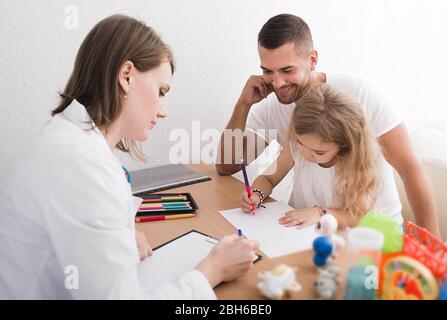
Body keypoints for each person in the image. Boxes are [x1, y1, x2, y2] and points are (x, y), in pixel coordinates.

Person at [0, 14, 258, 299]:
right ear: (126, 76)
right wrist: (212, 271)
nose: (163, 110)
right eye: (160, 92)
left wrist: (119, 235)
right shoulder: (85, 167)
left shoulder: (68, 140)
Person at [217, 13, 439, 236]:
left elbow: (411, 170)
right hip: (310, 232)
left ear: (312, 60)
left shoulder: (365, 96)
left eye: (287, 70)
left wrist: (431, 251)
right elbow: (229, 166)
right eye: (268, 71)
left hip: (371, 233)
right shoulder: (280, 116)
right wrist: (243, 104)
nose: (277, 83)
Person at [240, 84, 403, 229]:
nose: (306, 154)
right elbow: (269, 179)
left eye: (319, 152)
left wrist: (320, 213)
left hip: (347, 239)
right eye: (300, 143)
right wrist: (256, 194)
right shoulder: (299, 144)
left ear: (343, 146)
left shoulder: (356, 162)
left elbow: (358, 217)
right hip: (302, 231)